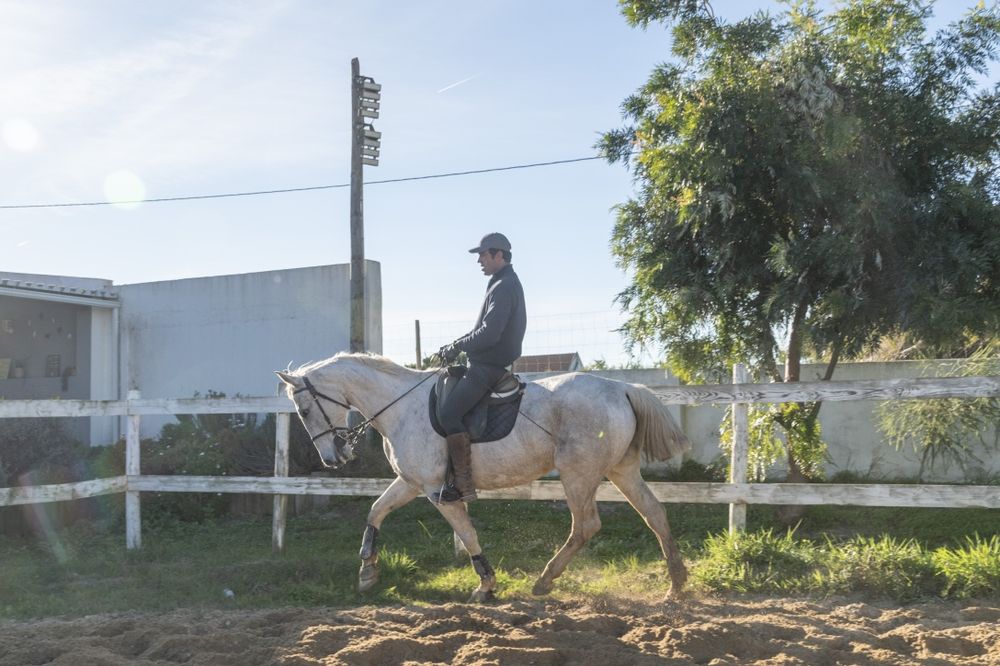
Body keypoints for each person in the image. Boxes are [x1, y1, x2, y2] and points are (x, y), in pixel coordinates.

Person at [435, 232, 527, 503]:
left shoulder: (504, 285)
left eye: (483, 254)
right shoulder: (502, 282)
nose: (479, 261)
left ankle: (463, 485)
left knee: (449, 414)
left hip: (488, 367)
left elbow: (489, 334)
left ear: (499, 255)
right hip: (488, 363)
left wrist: (456, 346)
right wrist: (461, 345)